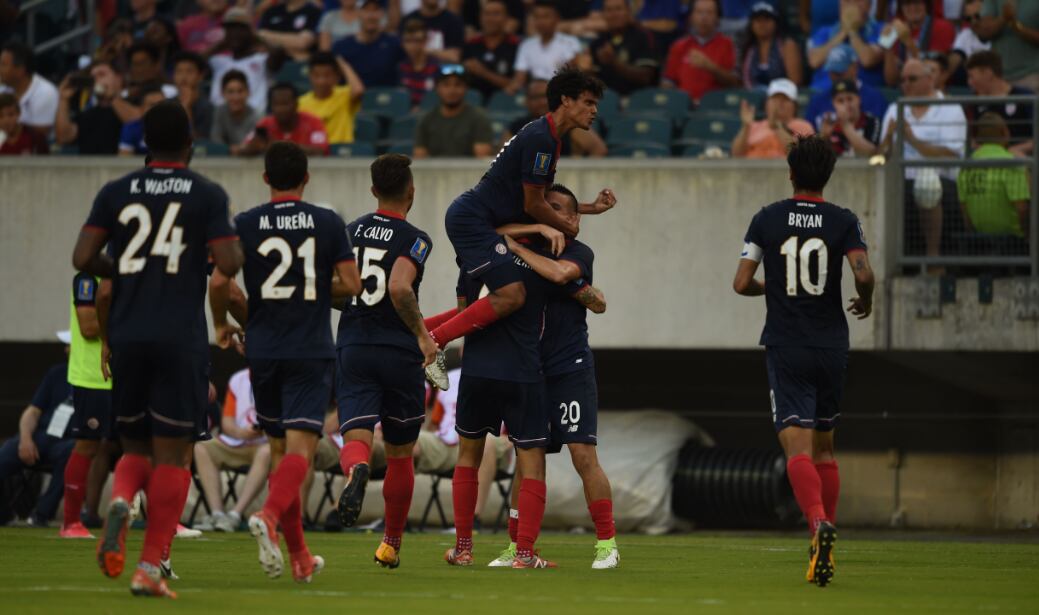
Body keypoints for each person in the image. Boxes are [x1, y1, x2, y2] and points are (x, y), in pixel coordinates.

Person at [72, 99, 244, 598]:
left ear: (145, 142)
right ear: (190, 143)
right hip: (178, 338)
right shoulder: (206, 193)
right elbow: (228, 261)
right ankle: (149, 568)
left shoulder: (116, 191)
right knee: (172, 454)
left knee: (134, 446)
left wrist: (126, 274)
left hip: (128, 334)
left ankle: (121, 499)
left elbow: (84, 258)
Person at [732, 134, 875, 588]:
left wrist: (771, 288)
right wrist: (866, 299)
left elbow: (741, 282)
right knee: (826, 449)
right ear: (827, 175)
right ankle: (826, 541)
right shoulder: (844, 220)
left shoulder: (767, 218)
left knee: (797, 449)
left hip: (787, 344)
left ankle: (817, 524)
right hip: (831, 345)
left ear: (791, 173)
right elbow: (864, 272)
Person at [229, 141, 361, 583]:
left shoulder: (245, 223)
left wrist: (227, 323)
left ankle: (300, 557)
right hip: (308, 348)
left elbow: (222, 285)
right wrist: (316, 288)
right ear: (307, 177)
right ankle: (267, 516)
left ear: (265, 178)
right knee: (301, 451)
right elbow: (352, 284)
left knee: (279, 452)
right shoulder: (326, 221)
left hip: (263, 349)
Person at [424, 67, 615, 365]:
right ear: (566, 100)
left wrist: (588, 208)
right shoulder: (543, 139)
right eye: (588, 102)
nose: (594, 111)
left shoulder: (546, 135)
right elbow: (534, 204)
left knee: (482, 304)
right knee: (511, 295)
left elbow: (541, 197)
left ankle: (416, 332)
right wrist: (565, 227)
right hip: (474, 221)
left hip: (486, 221)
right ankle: (433, 343)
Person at [490, 183, 617, 569]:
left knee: (583, 454)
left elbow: (561, 273)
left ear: (574, 218)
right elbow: (492, 230)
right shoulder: (531, 239)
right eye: (547, 208)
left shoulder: (579, 252)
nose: (551, 214)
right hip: (530, 369)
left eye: (561, 209)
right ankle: (519, 546)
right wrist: (530, 234)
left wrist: (518, 250)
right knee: (527, 459)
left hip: (569, 367)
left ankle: (607, 543)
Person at [334, 153, 439, 569]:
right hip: (398, 351)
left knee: (356, 436)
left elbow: (335, 288)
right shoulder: (416, 239)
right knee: (399, 453)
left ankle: (357, 469)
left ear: (374, 190)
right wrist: (423, 336)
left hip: (355, 346)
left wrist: (355, 303)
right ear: (411, 192)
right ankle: (390, 544)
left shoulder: (349, 232)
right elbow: (398, 287)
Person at [880, 58, 967, 259]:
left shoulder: (950, 108)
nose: (906, 84)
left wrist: (912, 139)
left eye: (912, 79)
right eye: (902, 80)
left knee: (926, 183)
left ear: (929, 79)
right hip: (901, 179)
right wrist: (889, 137)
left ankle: (932, 256)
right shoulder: (894, 109)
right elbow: (882, 155)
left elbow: (951, 155)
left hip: (940, 180)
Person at [0, 340, 75, 528]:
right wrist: (25, 439)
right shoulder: (56, 373)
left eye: (71, 345)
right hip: (42, 436)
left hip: (70, 439)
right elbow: (32, 411)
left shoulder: (99, 377)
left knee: (72, 452)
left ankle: (41, 514)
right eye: (67, 345)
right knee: (8, 450)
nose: (66, 349)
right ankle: (4, 514)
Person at [192, 368, 271, 533]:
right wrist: (242, 433)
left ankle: (235, 514)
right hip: (236, 442)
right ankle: (217, 514)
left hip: (265, 443)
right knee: (201, 447)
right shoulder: (238, 379)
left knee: (267, 452)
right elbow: (227, 423)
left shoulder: (278, 374)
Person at [957, 112, 1031, 238]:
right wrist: (1027, 237)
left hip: (978, 241)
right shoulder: (1014, 166)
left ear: (978, 138)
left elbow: (965, 213)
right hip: (1013, 242)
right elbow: (1022, 209)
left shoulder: (966, 168)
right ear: (1005, 133)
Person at [505, 79, 607, 157]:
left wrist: (578, 172)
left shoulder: (570, 124)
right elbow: (503, 155)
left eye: (545, 96)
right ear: (527, 101)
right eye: (535, 97)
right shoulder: (517, 126)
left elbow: (599, 150)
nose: (542, 102)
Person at [662, 0, 739, 103]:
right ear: (691, 17)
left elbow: (735, 83)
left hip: (716, 105)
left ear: (718, 18)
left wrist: (710, 67)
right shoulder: (679, 46)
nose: (704, 17)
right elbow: (668, 81)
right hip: (684, 106)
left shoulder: (727, 44)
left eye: (709, 12)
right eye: (699, 12)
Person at [413, 66, 494, 158]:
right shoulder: (426, 120)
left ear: (466, 88)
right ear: (437, 89)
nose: (452, 90)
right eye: (446, 85)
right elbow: (420, 158)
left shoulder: (479, 118)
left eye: (458, 85)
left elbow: (482, 158)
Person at [966, 50, 1034, 156]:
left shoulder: (1025, 97)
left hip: (1020, 159)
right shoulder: (975, 102)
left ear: (988, 73)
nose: (969, 82)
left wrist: (1015, 150)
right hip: (988, 159)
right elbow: (973, 140)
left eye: (971, 76)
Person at [805, 45, 890, 130]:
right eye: (832, 72)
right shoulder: (818, 100)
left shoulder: (874, 98)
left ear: (855, 67)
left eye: (840, 71)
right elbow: (808, 133)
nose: (836, 76)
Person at [585, 0, 659, 96]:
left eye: (618, 9)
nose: (614, 14)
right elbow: (596, 81)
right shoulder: (598, 43)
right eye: (609, 10)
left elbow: (646, 78)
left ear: (629, 11)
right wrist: (585, 71)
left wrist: (614, 62)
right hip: (605, 100)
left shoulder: (643, 36)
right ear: (603, 14)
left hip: (637, 99)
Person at [807, 0, 885, 91]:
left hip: (861, 92)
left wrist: (853, 31)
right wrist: (843, 32)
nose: (852, 5)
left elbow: (867, 60)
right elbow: (814, 61)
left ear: (869, 5)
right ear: (840, 5)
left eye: (857, 1)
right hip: (823, 91)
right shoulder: (824, 31)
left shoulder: (880, 29)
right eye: (847, 1)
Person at [733, 78, 815, 159]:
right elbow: (736, 155)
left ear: (794, 106)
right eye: (775, 98)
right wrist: (746, 126)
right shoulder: (753, 126)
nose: (779, 103)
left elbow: (800, 156)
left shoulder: (803, 126)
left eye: (785, 99)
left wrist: (776, 126)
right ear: (766, 104)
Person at [239, 83, 330, 157]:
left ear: (296, 104)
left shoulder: (313, 122)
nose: (281, 109)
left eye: (285, 104)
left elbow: (321, 151)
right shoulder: (264, 124)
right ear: (271, 106)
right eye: (276, 104)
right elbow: (243, 149)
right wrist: (253, 147)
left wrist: (278, 148)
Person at [209, 7, 271, 114]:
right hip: (219, 118)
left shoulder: (262, 60)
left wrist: (256, 37)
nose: (234, 33)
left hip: (253, 118)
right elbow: (194, 61)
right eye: (230, 29)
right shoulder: (218, 61)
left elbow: (279, 52)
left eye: (239, 29)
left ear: (249, 32)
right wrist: (222, 43)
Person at [510, 1, 583, 91]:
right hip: (534, 92)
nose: (541, 22)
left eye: (546, 17)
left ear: (557, 18)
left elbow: (572, 73)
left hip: (561, 90)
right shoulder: (526, 45)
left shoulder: (570, 42)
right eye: (537, 17)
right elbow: (519, 79)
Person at [882, 0, 957, 87]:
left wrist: (908, 42)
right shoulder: (898, 29)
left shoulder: (942, 27)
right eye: (907, 3)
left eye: (917, 2)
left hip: (931, 91)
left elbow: (932, 74)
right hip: (906, 89)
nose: (912, 7)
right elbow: (891, 80)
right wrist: (888, 45)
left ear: (926, 5)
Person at [332, 1, 406, 89]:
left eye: (375, 10)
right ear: (358, 13)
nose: (371, 16)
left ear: (382, 13)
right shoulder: (341, 47)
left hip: (386, 96)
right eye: (366, 10)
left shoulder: (394, 44)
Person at [298, 52, 365, 144]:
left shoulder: (345, 95)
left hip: (342, 150)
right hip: (315, 150)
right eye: (316, 75)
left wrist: (342, 63)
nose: (322, 81)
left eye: (327, 75)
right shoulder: (301, 103)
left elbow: (358, 91)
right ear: (310, 76)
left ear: (337, 77)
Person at [461, 0, 519, 101]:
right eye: (487, 14)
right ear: (480, 17)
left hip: (504, 102)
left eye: (496, 14)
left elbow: (516, 84)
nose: (490, 19)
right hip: (471, 102)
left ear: (506, 18)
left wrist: (483, 72)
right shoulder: (470, 44)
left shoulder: (516, 46)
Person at [975, 0, 1039, 92]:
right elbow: (984, 33)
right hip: (998, 78)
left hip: (1032, 74)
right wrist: (1004, 18)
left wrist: (1016, 26)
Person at [740, 2, 803, 90]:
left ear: (776, 22)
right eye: (758, 20)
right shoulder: (748, 49)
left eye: (767, 19)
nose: (762, 24)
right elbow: (744, 81)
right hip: (753, 95)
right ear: (751, 24)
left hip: (782, 94)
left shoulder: (787, 45)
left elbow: (795, 81)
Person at [0, 41, 58, 135]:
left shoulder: (46, 93)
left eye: (3, 64)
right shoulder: (3, 87)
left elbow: (40, 136)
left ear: (20, 70)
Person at [820, 79, 882, 156]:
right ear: (833, 104)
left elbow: (872, 153)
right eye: (840, 101)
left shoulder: (872, 121)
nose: (846, 104)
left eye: (850, 99)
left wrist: (846, 125)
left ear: (859, 99)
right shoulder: (831, 124)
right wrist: (824, 137)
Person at [209, 69, 261, 152]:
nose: (236, 97)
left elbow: (253, 145)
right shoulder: (219, 112)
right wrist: (232, 149)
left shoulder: (256, 116)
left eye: (240, 91)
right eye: (230, 92)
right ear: (223, 93)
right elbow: (216, 141)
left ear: (248, 92)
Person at [257, 0, 322, 61]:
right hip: (270, 62)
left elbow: (302, 42)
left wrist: (268, 36)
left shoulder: (314, 12)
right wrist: (291, 44)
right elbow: (259, 36)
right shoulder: (272, 11)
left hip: (297, 63)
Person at [172, 52, 213, 139]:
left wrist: (186, 108)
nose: (183, 77)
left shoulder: (208, 107)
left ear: (201, 76)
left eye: (189, 71)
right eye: (179, 71)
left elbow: (199, 142)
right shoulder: (167, 105)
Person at [948, 0, 991, 85]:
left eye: (978, 16)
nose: (973, 22)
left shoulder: (1002, 35)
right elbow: (954, 59)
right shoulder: (966, 35)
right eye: (968, 19)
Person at [399, 18, 440, 107]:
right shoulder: (401, 67)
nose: (412, 46)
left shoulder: (436, 67)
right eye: (408, 41)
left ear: (425, 41)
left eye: (417, 41)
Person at [119, 87, 168, 155]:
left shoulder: (176, 128)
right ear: (142, 108)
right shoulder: (131, 129)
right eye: (152, 105)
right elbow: (125, 159)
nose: (157, 109)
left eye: (161, 104)